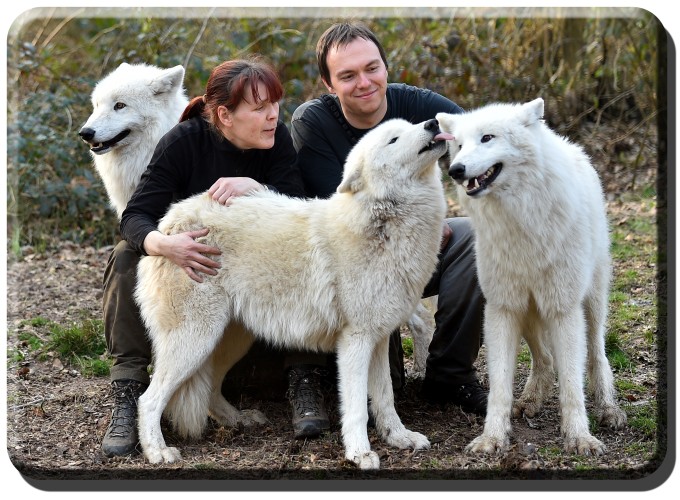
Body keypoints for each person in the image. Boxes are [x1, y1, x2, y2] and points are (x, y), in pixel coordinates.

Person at [284, 21, 488, 438]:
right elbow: (340, 214)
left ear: (385, 66)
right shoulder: (314, 122)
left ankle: (450, 373)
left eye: (371, 68)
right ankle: (341, 388)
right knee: (383, 388)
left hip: (420, 246)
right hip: (357, 259)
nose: (364, 82)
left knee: (471, 237)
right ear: (328, 82)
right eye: (347, 75)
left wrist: (437, 223)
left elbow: (484, 143)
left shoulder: (422, 108)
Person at [101, 56, 305, 457]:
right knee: (127, 256)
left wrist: (256, 185)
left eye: (275, 104)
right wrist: (165, 245)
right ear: (225, 115)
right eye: (260, 107)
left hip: (249, 265)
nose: (272, 116)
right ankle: (128, 389)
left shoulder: (276, 137)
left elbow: (299, 202)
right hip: (181, 263)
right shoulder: (184, 141)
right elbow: (136, 217)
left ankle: (302, 381)